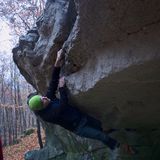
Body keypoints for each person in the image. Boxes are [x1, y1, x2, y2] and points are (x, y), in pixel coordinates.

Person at [27, 49, 135, 154]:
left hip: (82, 117)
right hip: (79, 127)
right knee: (100, 136)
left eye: (42, 97)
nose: (45, 98)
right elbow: (63, 105)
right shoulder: (48, 115)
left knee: (101, 127)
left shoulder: (47, 99)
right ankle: (122, 147)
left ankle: (118, 132)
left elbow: (53, 83)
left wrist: (57, 63)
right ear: (42, 107)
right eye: (43, 101)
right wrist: (62, 88)